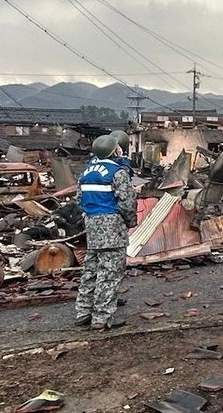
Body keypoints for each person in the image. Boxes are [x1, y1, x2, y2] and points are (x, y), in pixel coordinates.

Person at [74, 135, 137, 330]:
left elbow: (79, 199)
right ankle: (102, 318)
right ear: (114, 150)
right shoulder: (117, 172)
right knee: (109, 273)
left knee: (90, 271)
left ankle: (83, 312)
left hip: (92, 226)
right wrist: (129, 221)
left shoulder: (86, 172)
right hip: (112, 227)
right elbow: (126, 202)